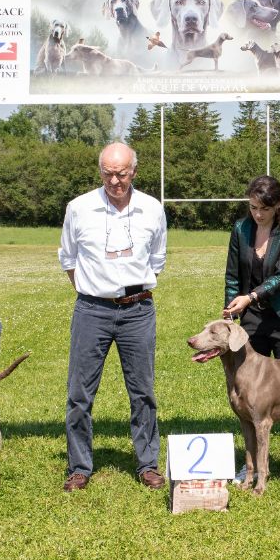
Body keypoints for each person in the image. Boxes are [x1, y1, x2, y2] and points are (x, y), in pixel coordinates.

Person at [58, 142, 167, 492]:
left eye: (121, 174)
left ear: (134, 171)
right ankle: (79, 467)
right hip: (92, 310)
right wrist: (95, 291)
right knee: (79, 394)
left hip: (138, 310)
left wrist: (128, 292)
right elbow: (68, 259)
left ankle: (148, 464)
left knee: (143, 392)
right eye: (108, 174)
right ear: (100, 171)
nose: (115, 181)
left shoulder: (152, 209)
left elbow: (158, 259)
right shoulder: (79, 208)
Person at [223, 175, 280, 484]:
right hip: (251, 321)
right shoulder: (241, 229)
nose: (257, 214)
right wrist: (230, 313)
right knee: (246, 394)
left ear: (278, 206)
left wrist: (252, 296)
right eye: (253, 207)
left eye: (264, 209)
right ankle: (251, 463)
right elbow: (233, 274)